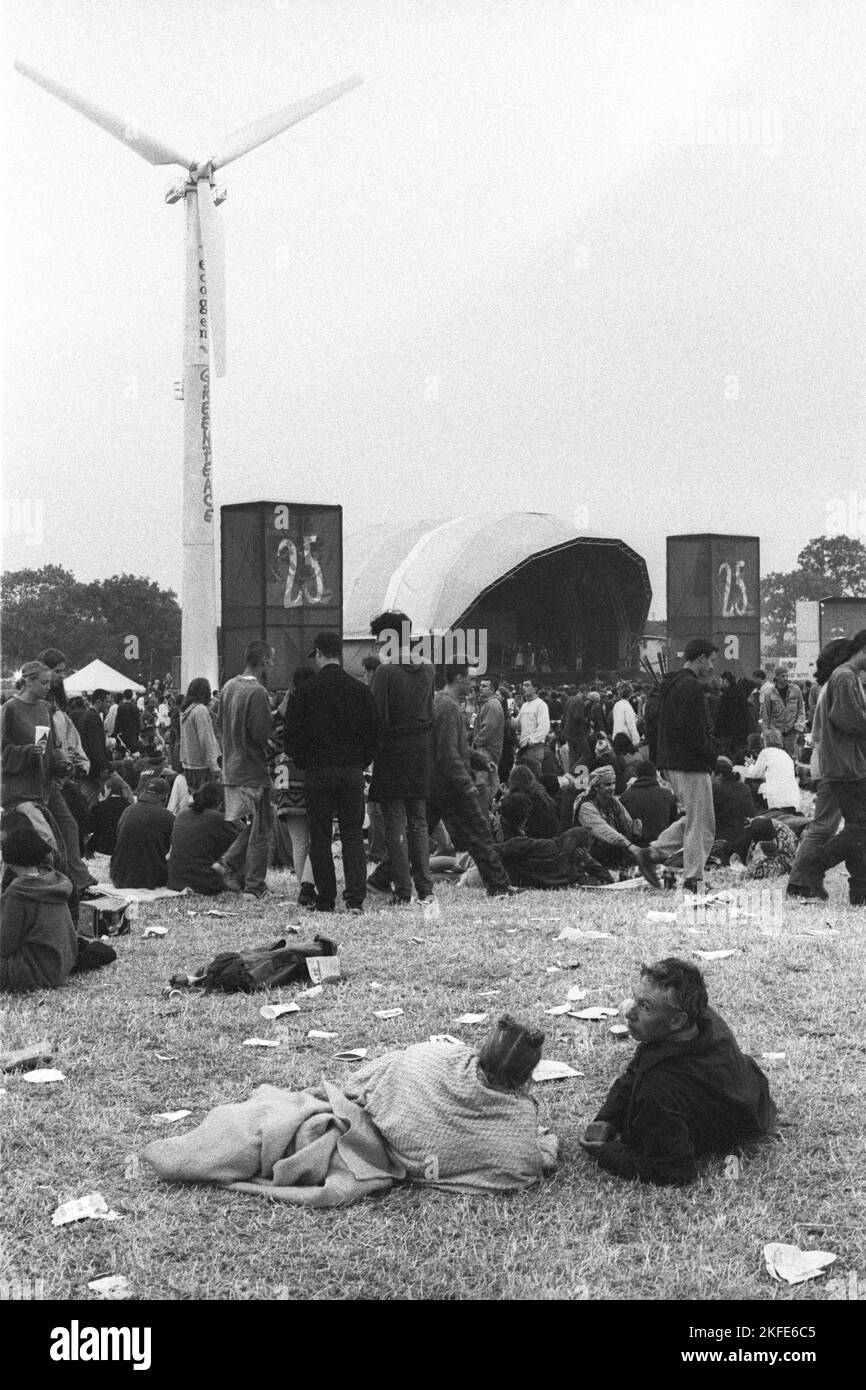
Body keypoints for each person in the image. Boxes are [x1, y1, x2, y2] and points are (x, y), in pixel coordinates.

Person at [143, 1015, 559, 1203]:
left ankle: (190, 1153)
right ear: (526, 1076)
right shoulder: (515, 1127)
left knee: (268, 1120)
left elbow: (360, 1084)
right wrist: (547, 1145)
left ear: (482, 1048)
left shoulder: (428, 1056)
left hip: (357, 1130)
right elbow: (521, 1168)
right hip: (368, 1151)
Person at [580, 958, 776, 1186]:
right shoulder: (701, 1018)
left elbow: (672, 1171)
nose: (630, 1013)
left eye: (645, 1007)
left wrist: (607, 1152)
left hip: (741, 1122)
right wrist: (608, 1118)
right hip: (750, 1093)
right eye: (635, 999)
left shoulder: (661, 1087)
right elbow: (638, 1067)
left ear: (677, 1020)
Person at [283, 632, 379, 914]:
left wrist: (305, 761)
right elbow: (373, 733)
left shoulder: (306, 691)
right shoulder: (360, 691)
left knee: (320, 836)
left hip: (318, 772)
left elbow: (291, 738)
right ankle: (355, 899)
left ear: (319, 654)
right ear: (340, 653)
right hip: (350, 771)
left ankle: (325, 898)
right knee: (352, 836)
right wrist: (361, 761)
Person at [424, 668, 514, 898]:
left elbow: (457, 747)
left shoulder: (444, 703)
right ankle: (499, 884)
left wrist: (479, 760)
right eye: (470, 678)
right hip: (451, 785)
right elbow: (448, 752)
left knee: (418, 832)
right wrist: (466, 783)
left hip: (439, 784)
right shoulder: (447, 706)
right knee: (479, 832)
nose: (473, 683)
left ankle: (382, 877)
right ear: (459, 678)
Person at [640, 638, 718, 895]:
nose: (712, 667)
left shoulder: (671, 685)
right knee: (702, 824)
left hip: (672, 761)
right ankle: (693, 881)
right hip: (690, 763)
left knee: (695, 819)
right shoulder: (691, 688)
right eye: (712, 660)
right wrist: (711, 753)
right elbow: (694, 733)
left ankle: (654, 852)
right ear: (701, 658)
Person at [366, 611, 435, 905]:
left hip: (392, 750)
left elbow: (376, 717)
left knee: (395, 823)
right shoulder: (428, 668)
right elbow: (431, 712)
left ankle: (402, 890)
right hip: (420, 750)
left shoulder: (385, 672)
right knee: (419, 822)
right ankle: (426, 888)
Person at [796, 629, 866, 906]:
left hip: (847, 763)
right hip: (847, 765)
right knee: (860, 829)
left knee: (858, 829)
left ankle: (859, 892)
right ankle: (816, 863)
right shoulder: (846, 676)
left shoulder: (846, 677)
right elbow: (849, 721)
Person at [212, 640, 276, 901]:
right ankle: (254, 885)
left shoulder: (229, 686)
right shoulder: (258, 693)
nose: (273, 664)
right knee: (262, 829)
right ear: (262, 661)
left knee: (253, 826)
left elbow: (220, 723)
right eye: (271, 659)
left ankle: (229, 863)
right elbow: (261, 735)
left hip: (232, 768)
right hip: (253, 769)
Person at [787, 638, 849, 900]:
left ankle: (803, 877)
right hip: (833, 765)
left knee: (828, 826)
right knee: (825, 826)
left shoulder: (829, 685)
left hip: (829, 763)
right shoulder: (838, 685)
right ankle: (801, 878)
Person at [1, 823, 78, 993]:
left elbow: (5, 945)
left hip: (32, 971)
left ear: (10, 859)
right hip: (61, 966)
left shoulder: (19, 891)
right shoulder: (55, 881)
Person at [494, 792, 612, 889]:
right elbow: (606, 881)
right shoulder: (570, 874)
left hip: (496, 871)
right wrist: (588, 861)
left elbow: (514, 845)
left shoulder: (548, 847)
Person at [0, 660, 59, 850]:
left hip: (43, 787)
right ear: (28, 682)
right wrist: (26, 751)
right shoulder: (10, 708)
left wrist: (63, 764)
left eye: (49, 683)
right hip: (18, 791)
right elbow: (2, 750)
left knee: (28, 844)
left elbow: (53, 746)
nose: (48, 688)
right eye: (44, 683)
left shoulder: (45, 708)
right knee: (45, 840)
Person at [167, 781, 238, 895]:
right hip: (205, 884)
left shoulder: (182, 815)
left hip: (175, 882)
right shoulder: (218, 819)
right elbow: (237, 850)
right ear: (221, 802)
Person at [110, 778, 174, 889]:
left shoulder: (128, 811)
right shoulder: (168, 816)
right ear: (165, 798)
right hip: (150, 879)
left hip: (119, 876)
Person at [620, 761, 679, 846]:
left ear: (637, 775)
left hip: (636, 848)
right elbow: (674, 825)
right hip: (661, 847)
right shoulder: (668, 795)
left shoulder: (626, 797)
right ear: (655, 775)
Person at [711, 757, 757, 862]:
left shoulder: (716, 791)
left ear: (719, 776)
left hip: (724, 840)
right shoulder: (744, 787)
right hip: (746, 839)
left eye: (711, 774)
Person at [179, 678, 221, 791]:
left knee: (196, 801)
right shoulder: (200, 710)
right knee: (208, 802)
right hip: (203, 766)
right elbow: (205, 739)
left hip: (189, 763)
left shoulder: (186, 711)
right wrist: (214, 765)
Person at [743, 729, 800, 812]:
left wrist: (750, 765)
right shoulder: (785, 754)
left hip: (776, 797)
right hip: (793, 796)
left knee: (750, 787)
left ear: (766, 740)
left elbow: (754, 774)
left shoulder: (766, 752)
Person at [472, 677, 505, 812]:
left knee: (482, 783)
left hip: (486, 750)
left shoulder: (491, 705)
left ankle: (483, 810)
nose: (481, 688)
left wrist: (476, 742)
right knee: (490, 781)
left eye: (485, 686)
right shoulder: (488, 704)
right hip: (489, 749)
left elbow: (488, 729)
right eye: (480, 686)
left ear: (493, 689)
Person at [761, 669, 805, 758]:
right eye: (782, 676)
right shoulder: (769, 693)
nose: (785, 678)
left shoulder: (796, 690)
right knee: (776, 758)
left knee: (792, 758)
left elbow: (801, 709)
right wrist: (766, 732)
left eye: (786, 675)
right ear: (776, 677)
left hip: (792, 731)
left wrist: (799, 727)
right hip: (776, 733)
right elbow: (765, 714)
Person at [512, 678, 550, 774]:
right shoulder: (524, 705)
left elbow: (544, 727)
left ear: (535, 688)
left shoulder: (541, 705)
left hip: (534, 748)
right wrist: (508, 715)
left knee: (534, 777)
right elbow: (517, 725)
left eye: (527, 685)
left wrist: (531, 742)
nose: (524, 688)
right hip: (523, 747)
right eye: (523, 685)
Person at [714, 671, 751, 760]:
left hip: (728, 735)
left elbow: (720, 716)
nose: (720, 683)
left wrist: (717, 732)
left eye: (720, 681)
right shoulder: (741, 694)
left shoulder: (725, 696)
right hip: (742, 733)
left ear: (726, 681)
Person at [114, 690, 142, 755]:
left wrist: (116, 733)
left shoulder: (120, 707)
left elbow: (117, 722)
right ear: (132, 696)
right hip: (133, 735)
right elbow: (138, 723)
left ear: (124, 696)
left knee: (123, 754)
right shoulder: (136, 708)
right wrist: (137, 734)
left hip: (123, 735)